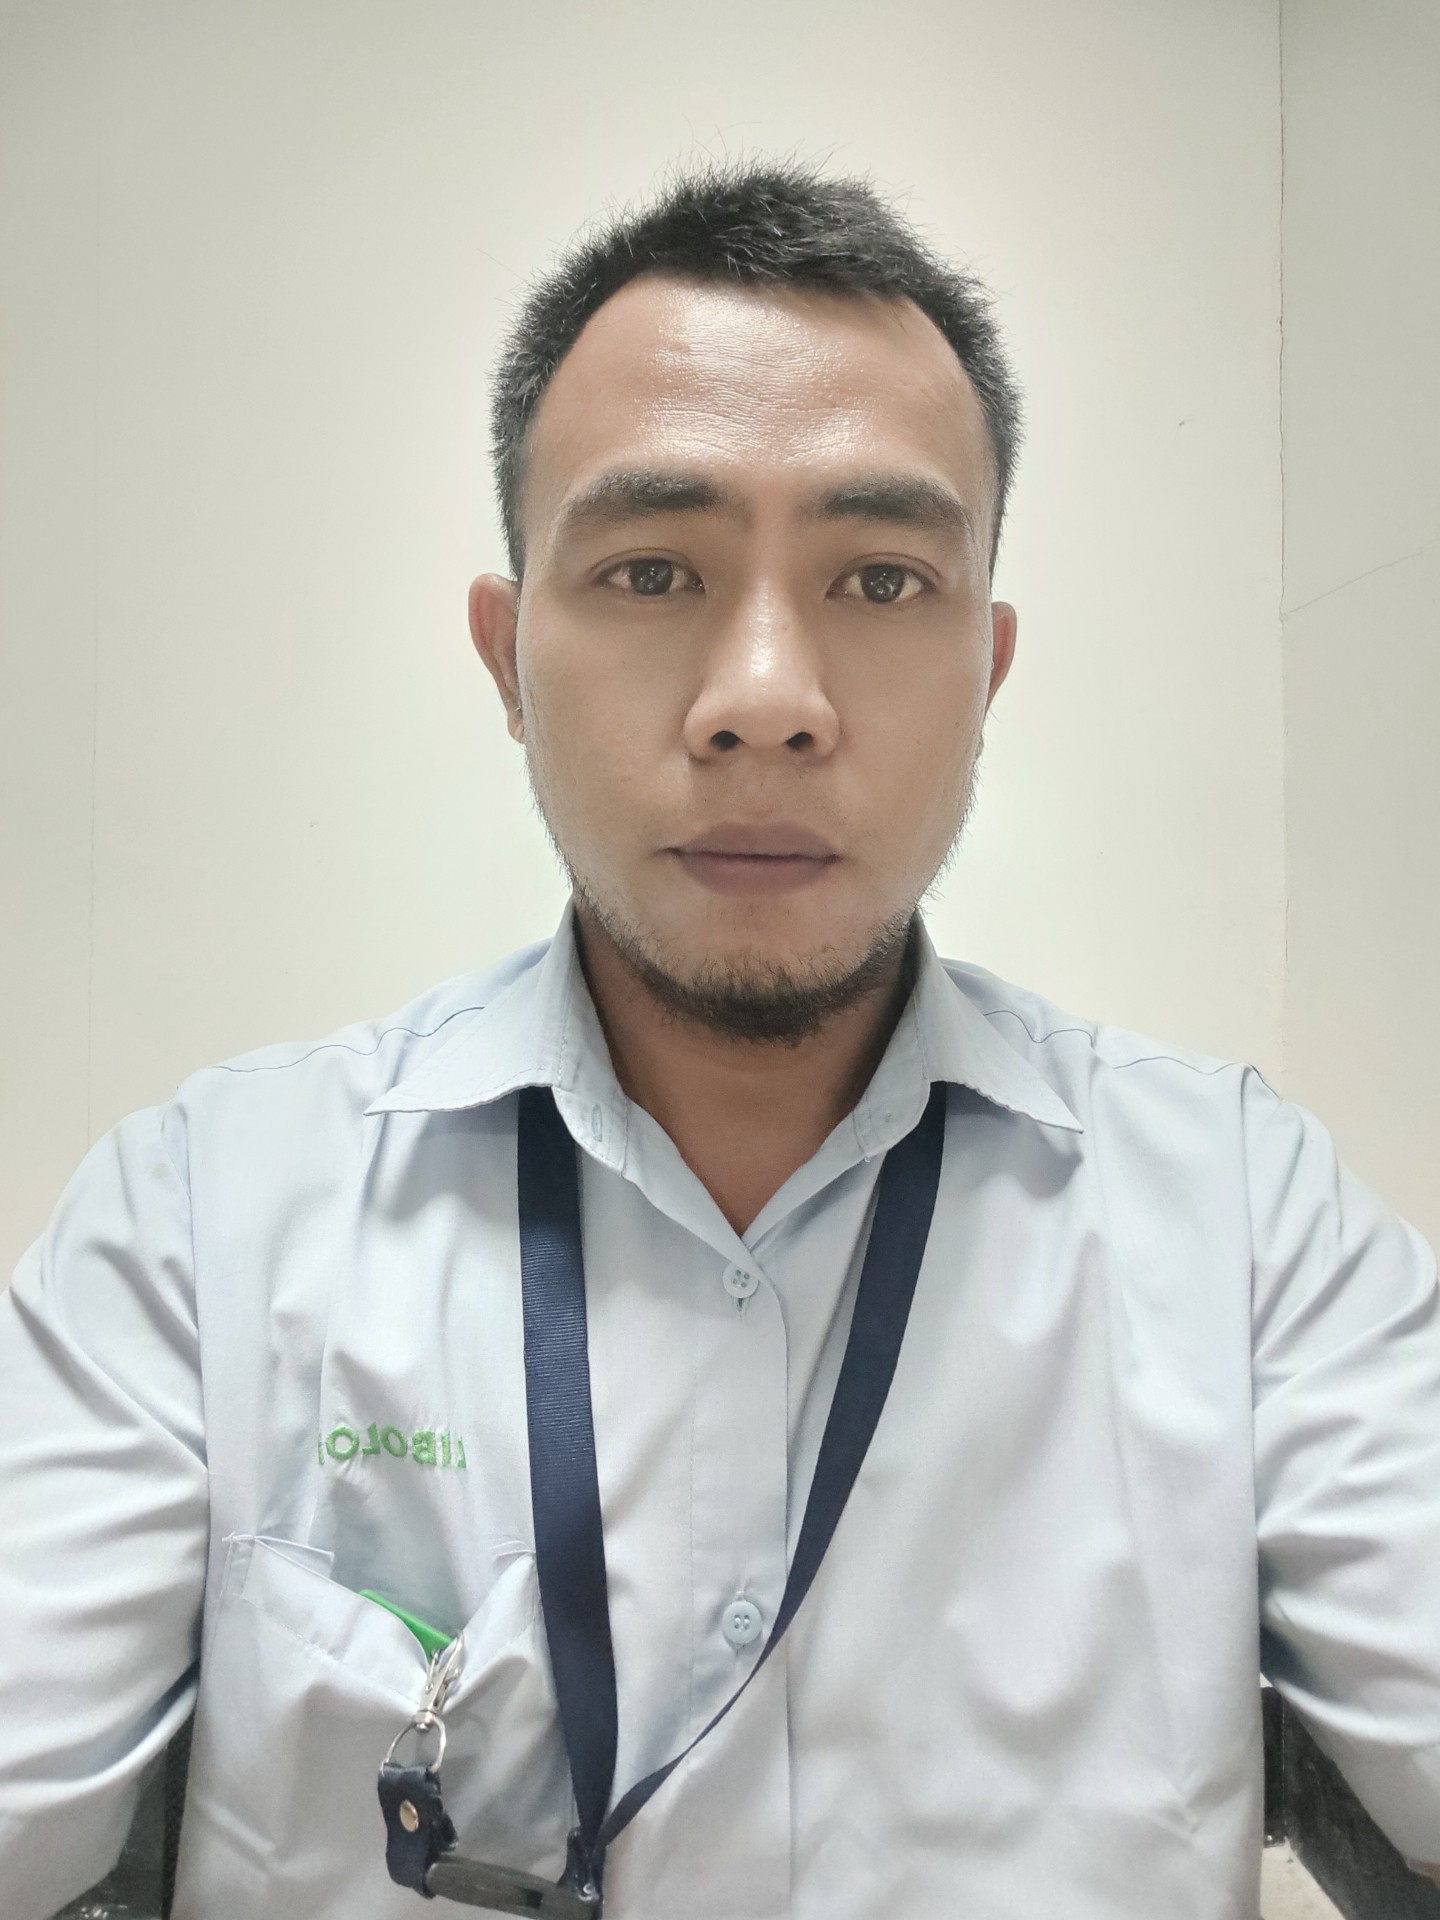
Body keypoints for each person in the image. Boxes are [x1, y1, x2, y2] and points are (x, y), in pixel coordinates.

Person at [2, 160, 1438, 1920]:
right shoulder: (203, 1225)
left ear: (987, 671)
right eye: (653, 568)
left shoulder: (1238, 1220)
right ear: (507, 657)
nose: (767, 698)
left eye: (882, 581)